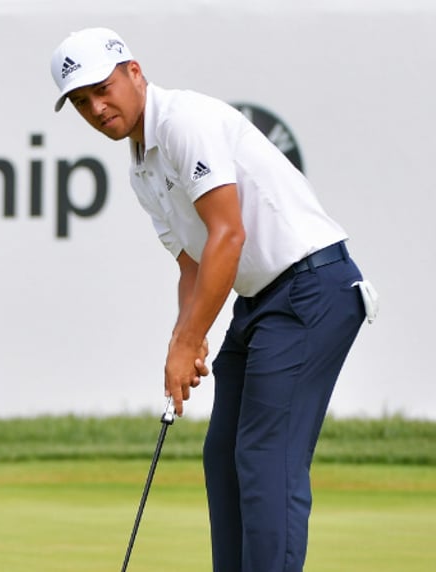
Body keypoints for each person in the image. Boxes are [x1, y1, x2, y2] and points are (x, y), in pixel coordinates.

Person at [49, 28, 372, 572]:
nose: (96, 108)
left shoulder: (183, 122)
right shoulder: (140, 168)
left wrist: (191, 338)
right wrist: (183, 338)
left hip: (312, 288)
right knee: (223, 454)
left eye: (102, 89)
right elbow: (192, 265)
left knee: (266, 456)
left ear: (134, 71)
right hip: (261, 301)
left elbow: (228, 235)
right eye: (81, 102)